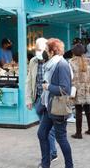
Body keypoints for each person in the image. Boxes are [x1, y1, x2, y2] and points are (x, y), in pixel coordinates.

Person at [38, 38, 73, 168]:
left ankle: (69, 165)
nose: (45, 52)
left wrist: (48, 87)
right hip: (49, 106)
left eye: (47, 50)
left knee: (61, 138)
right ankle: (45, 163)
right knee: (42, 134)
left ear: (53, 51)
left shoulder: (62, 65)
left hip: (58, 108)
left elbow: (65, 89)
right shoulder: (50, 64)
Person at [26, 38, 58, 163]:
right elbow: (29, 80)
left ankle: (49, 156)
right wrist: (28, 99)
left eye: (41, 49)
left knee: (45, 129)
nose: (38, 52)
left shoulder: (54, 62)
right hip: (38, 99)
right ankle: (53, 152)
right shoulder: (33, 61)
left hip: (51, 100)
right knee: (46, 128)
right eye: (37, 49)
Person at [69, 44, 90, 139]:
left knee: (78, 110)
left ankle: (78, 133)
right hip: (87, 88)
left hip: (77, 88)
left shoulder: (71, 62)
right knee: (88, 109)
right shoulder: (88, 61)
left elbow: (70, 76)